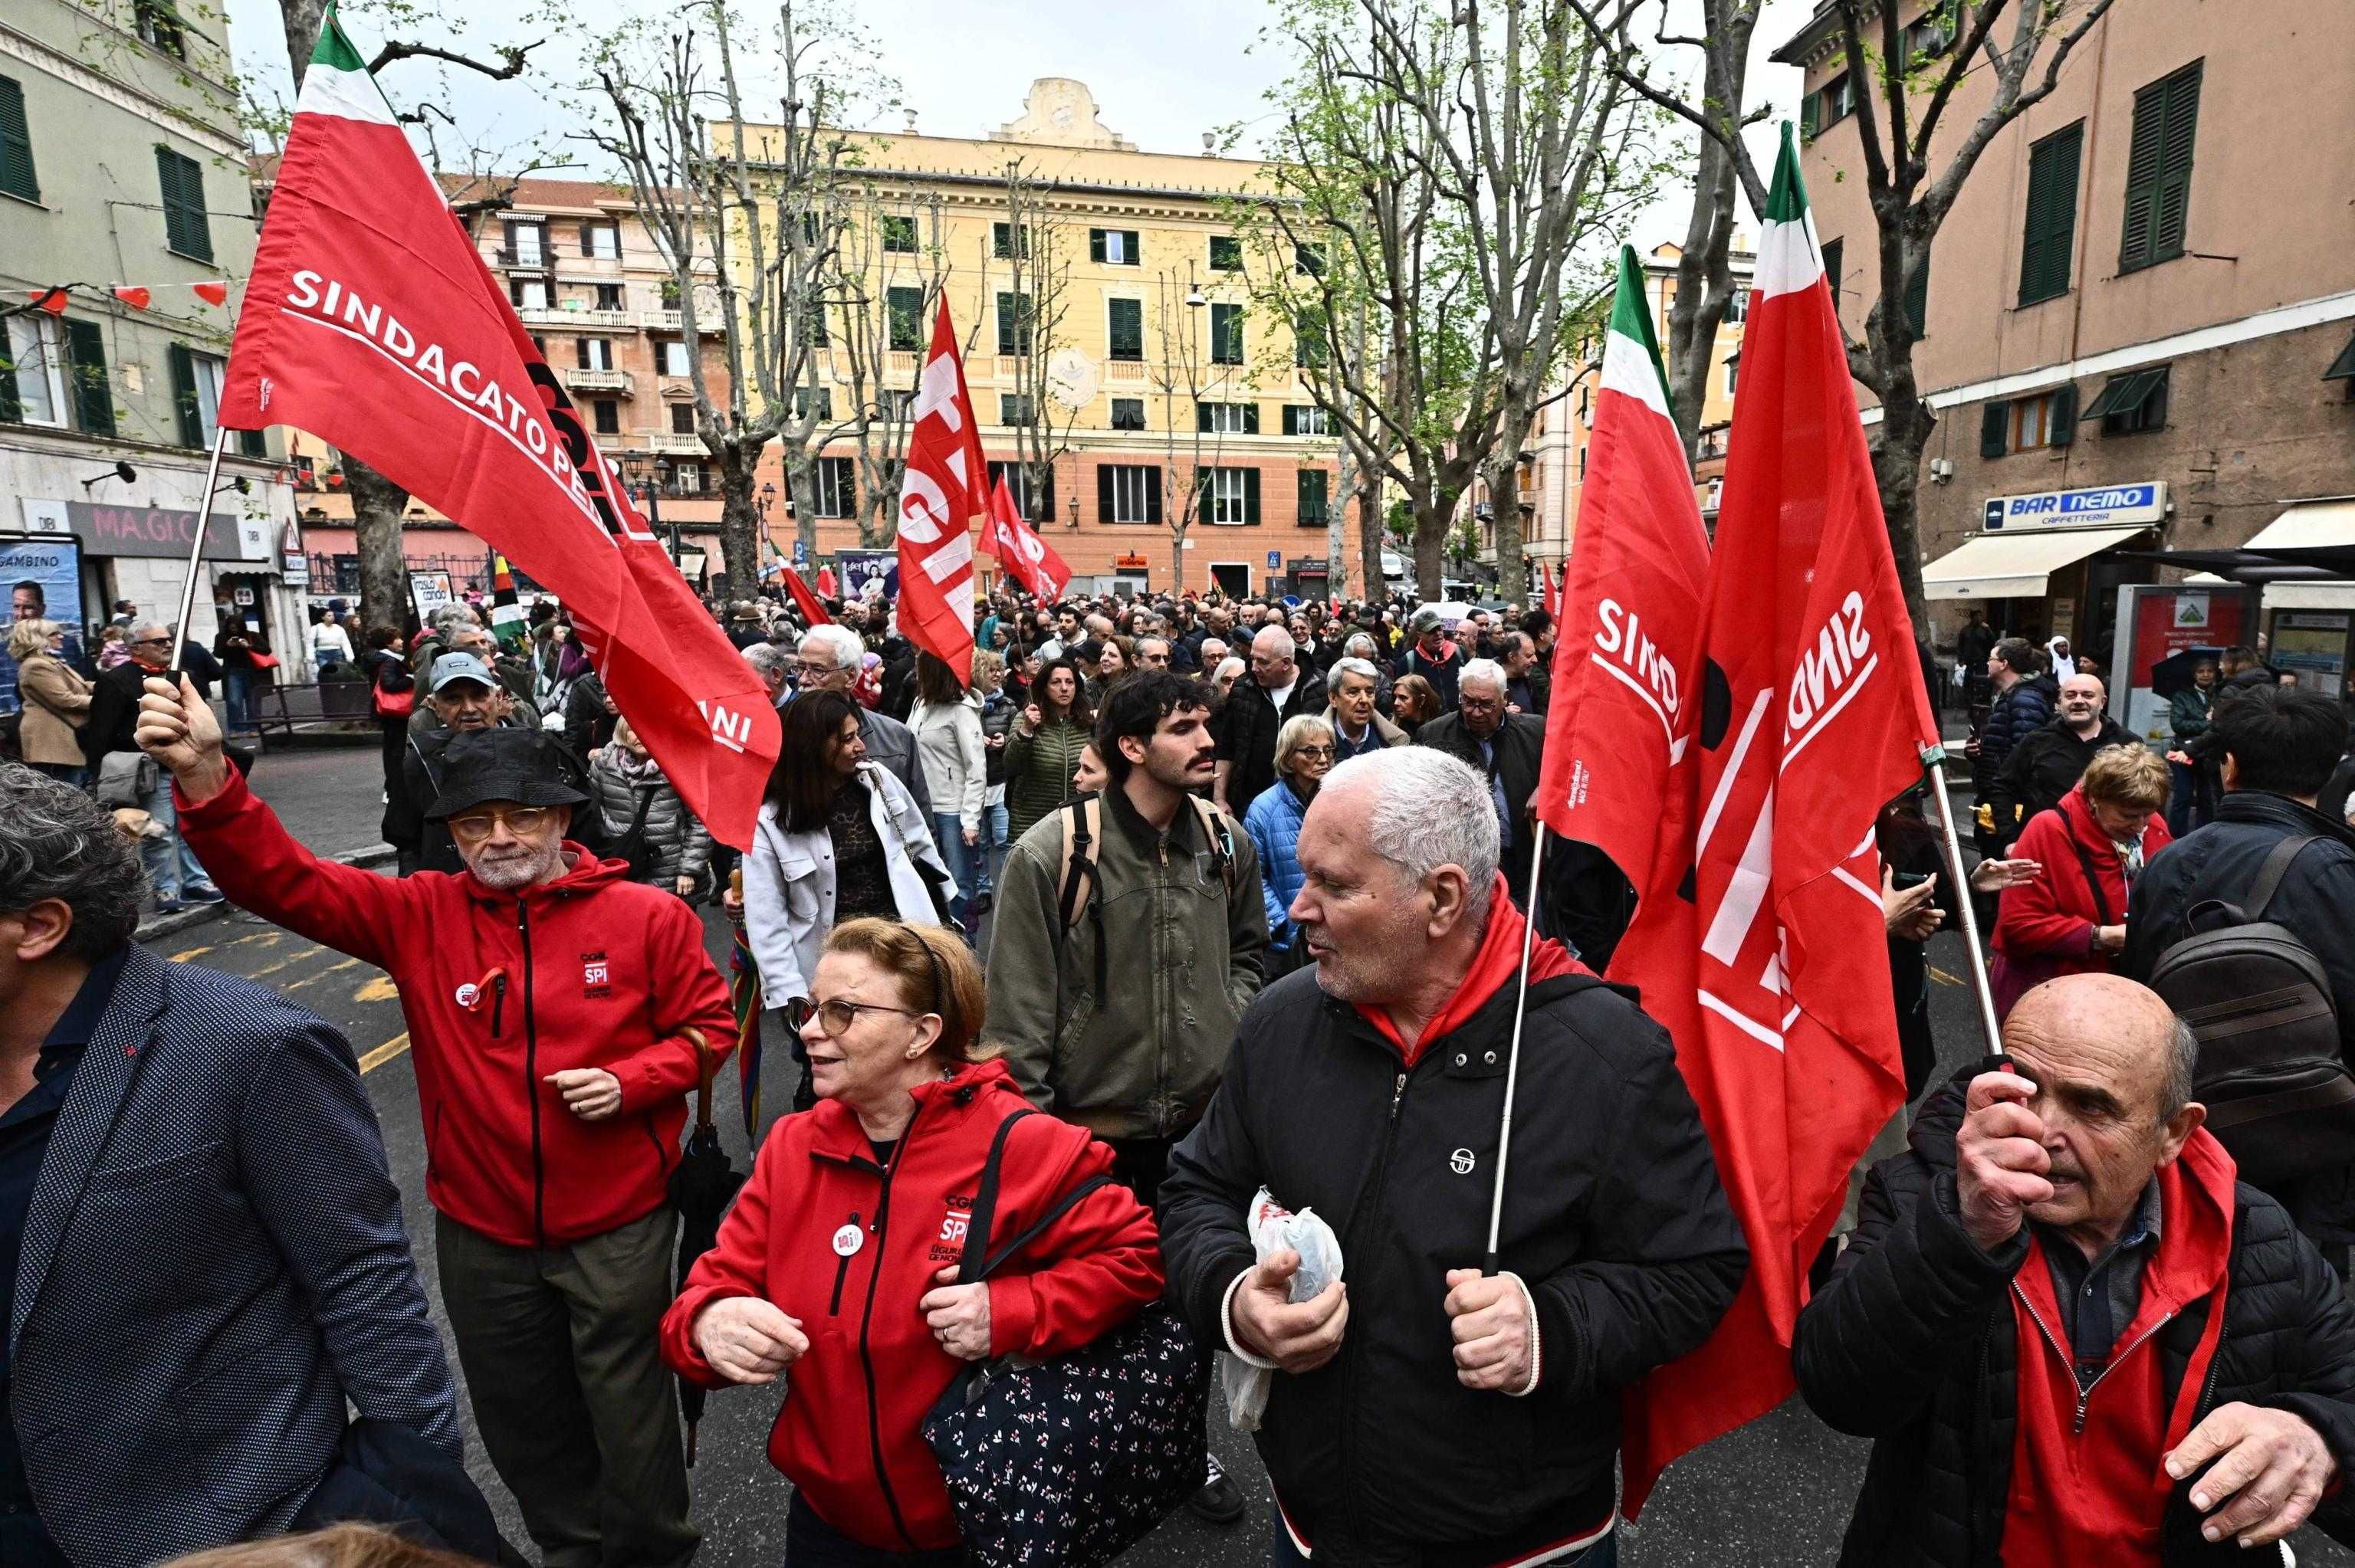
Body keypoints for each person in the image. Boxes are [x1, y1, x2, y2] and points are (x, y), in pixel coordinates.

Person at [140, 687, 731, 1568]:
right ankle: (572, 1552)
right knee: (524, 1423)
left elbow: (710, 1029)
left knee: (632, 1419)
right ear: (451, 835)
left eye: (520, 817)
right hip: (482, 1233)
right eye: (473, 823)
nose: (499, 838)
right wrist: (204, 776)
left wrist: (633, 1079)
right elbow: (279, 880)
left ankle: (653, 1557)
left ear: (560, 818)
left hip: (620, 1224)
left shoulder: (649, 918)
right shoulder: (419, 914)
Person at [1161, 747, 1747, 1563]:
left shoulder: (1606, 1056)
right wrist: (1233, 1298)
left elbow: (1694, 1269)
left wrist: (1551, 1329)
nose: (1299, 908)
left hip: (1525, 1547)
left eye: (1334, 884)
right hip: (1311, 1530)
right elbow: (1198, 1188)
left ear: (1440, 898)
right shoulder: (1282, 1021)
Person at [0, 768, 488, 1568]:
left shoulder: (245, 1047)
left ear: (40, 927)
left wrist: (404, 1521)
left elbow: (363, 1284)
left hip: (213, 1533)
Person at [1795, 973, 2355, 1564]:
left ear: (2173, 1132)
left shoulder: (2255, 1239)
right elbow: (1840, 1391)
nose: (2040, 1132)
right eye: (2024, 1089)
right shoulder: (1925, 1193)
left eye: (2091, 1106)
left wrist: (2318, 1439)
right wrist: (1962, 1234)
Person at [660, 918, 1163, 1561]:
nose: (808, 1029)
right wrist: (710, 1322)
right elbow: (700, 1299)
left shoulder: (1022, 1143)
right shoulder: (793, 1146)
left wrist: (1011, 1311)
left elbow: (1136, 1260)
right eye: (811, 1008)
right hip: (827, 1526)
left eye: (843, 1012)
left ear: (922, 1034)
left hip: (981, 1519)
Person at [984, 668, 1269, 1524]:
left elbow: (1252, 951)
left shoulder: (1224, 840)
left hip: (1200, 1133)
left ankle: (1180, 1455)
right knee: (1091, 1308)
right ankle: (1086, 1461)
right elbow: (1017, 1016)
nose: (1208, 741)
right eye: (1185, 727)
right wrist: (1035, 1145)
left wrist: (1230, 1016)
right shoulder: (1052, 854)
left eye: (1206, 724)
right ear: (1132, 745)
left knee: (1191, 1305)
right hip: (1091, 1133)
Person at [2126, 684, 2355, 1262]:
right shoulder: (2332, 870)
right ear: (2330, 770)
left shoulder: (2168, 860)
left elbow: (2136, 992)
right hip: (2306, 1144)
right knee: (2295, 1288)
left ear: (2229, 766)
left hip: (2186, 1130)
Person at [743, 691, 954, 1074]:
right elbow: (766, 920)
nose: (860, 747)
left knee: (912, 1053)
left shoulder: (879, 780)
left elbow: (920, 843)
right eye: (846, 739)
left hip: (900, 950)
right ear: (812, 746)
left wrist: (944, 911)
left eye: (859, 735)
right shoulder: (770, 821)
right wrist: (793, 997)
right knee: (838, 1069)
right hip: (831, 971)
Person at [1991, 744, 2173, 1019]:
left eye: (2146, 814)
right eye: (2127, 816)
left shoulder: (2154, 827)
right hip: (2052, 999)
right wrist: (2100, 936)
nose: (2139, 826)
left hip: (2124, 999)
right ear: (2095, 799)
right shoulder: (2048, 830)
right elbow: (2017, 926)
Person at [81, 620, 222, 913]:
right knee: (159, 831)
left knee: (195, 827)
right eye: (158, 642)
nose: (168, 645)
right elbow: (101, 731)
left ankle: (197, 881)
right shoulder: (116, 680)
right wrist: (100, 773)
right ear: (135, 648)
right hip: (150, 769)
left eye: (168, 639)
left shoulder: (184, 676)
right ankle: (165, 888)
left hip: (189, 766)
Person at [1414, 658, 1546, 904]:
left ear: (1505, 698)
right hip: (1466, 864)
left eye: (1486, 704)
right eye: (1468, 702)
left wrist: (1545, 788)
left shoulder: (1535, 731)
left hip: (1522, 860)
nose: (1475, 712)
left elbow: (1564, 771)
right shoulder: (1432, 736)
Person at [388, 654, 530, 877]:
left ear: (498, 696)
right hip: (453, 890)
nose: (469, 708)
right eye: (453, 699)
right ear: (434, 706)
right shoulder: (420, 763)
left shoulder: (534, 750)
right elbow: (406, 841)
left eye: (479, 695)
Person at [1988, 672, 2138, 853]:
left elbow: (2147, 796)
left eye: (2088, 695)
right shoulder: (2036, 741)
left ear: (2102, 702)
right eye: (2071, 695)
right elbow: (2002, 787)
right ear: (2060, 702)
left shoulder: (2127, 744)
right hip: (2047, 846)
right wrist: (2010, 839)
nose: (2079, 701)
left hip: (2109, 849)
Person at [795, 624, 932, 817]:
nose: (803, 679)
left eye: (818, 670)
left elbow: (919, 818)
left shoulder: (895, 738)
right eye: (800, 668)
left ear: (850, 676)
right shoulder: (779, 735)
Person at [587, 716, 712, 899]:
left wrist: (688, 869)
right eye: (632, 729)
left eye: (646, 727)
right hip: (624, 866)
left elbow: (701, 822)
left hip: (671, 870)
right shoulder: (604, 764)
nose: (639, 734)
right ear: (622, 732)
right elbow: (593, 812)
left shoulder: (679, 765)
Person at [1246, 714, 1334, 975]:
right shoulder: (1264, 808)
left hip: (1333, 935)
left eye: (1328, 750)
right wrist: (1283, 923)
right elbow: (1253, 875)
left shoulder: (1337, 802)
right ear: (1288, 757)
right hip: (1284, 943)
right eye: (1311, 751)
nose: (1323, 759)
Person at [908, 651, 987, 933]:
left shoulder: (961, 710)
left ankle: (966, 945)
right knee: (929, 880)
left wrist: (970, 818)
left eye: (920, 667)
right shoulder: (920, 704)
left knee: (960, 883)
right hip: (923, 806)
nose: (915, 672)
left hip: (953, 811)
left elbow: (976, 766)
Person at [1214, 626, 1326, 816]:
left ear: (1286, 663)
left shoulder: (1319, 689)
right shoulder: (1243, 688)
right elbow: (1227, 746)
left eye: (1263, 662)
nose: (1254, 667)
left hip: (1306, 805)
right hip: (1248, 803)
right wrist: (1219, 799)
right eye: (1253, 658)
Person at [1967, 638, 2056, 858]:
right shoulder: (2011, 695)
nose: (1988, 663)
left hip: (2011, 806)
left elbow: (2026, 755)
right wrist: (1978, 753)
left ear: (2004, 664)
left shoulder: (2025, 699)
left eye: (1991, 658)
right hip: (1999, 800)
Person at [1002, 654, 1093, 844]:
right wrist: (1026, 730)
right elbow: (1011, 766)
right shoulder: (1026, 719)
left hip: (1076, 824)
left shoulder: (1086, 723)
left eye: (1069, 682)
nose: (1064, 688)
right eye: (1056, 682)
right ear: (1044, 687)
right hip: (1032, 825)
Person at [9, 619, 91, 788]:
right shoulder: (36, 665)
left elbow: (81, 686)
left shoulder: (49, 661)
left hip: (61, 739)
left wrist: (109, 686)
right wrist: (105, 700)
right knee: (65, 795)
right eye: (54, 634)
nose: (61, 637)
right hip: (52, 742)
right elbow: (65, 699)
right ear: (36, 639)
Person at [2168, 659, 2219, 836]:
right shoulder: (2182, 696)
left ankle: (2202, 836)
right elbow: (2178, 724)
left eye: (2210, 671)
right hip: (2183, 752)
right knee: (2183, 796)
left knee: (2207, 798)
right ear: (2194, 674)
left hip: (2209, 753)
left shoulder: (2220, 695)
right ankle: (2175, 837)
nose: (2206, 675)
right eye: (2201, 671)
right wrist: (2207, 722)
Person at [1322, 655, 1407, 760]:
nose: (1364, 700)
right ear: (1333, 698)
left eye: (1369, 692)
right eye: (1353, 692)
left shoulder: (1396, 744)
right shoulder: (1312, 744)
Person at [1394, 607, 1464, 711]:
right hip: (1427, 719)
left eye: (1439, 629)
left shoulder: (1458, 652)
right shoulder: (1409, 661)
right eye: (1431, 631)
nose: (1438, 634)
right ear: (1419, 634)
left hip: (1458, 716)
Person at [1499, 631, 1547, 716]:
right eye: (1529, 656)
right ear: (1512, 657)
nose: (1535, 660)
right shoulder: (1489, 683)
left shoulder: (1532, 682)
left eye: (1534, 654)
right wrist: (1501, 715)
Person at [1391, 671, 1441, 736]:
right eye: (1395, 697)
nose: (1396, 703)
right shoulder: (1391, 726)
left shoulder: (1442, 727)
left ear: (1422, 700)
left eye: (1403, 698)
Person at [310, 609, 355, 677]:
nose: (332, 617)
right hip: (322, 653)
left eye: (333, 615)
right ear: (323, 617)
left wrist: (350, 657)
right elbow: (310, 643)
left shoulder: (339, 628)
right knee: (324, 673)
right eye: (329, 616)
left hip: (337, 652)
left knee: (339, 673)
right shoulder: (316, 628)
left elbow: (345, 643)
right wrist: (311, 657)